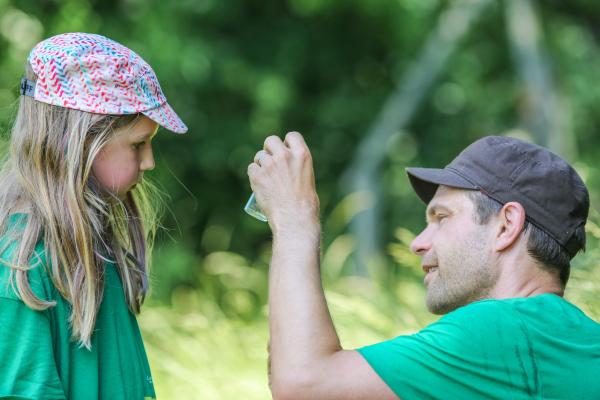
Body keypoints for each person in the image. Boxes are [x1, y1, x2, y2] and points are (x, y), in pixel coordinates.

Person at [247, 133, 600, 399]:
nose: (418, 242)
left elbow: (303, 383)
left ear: (506, 226)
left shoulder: (502, 331)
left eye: (441, 218)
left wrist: (295, 218)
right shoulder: (564, 341)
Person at [0, 33, 187, 399]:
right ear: (82, 142)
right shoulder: (21, 266)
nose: (149, 162)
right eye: (138, 145)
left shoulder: (89, 246)